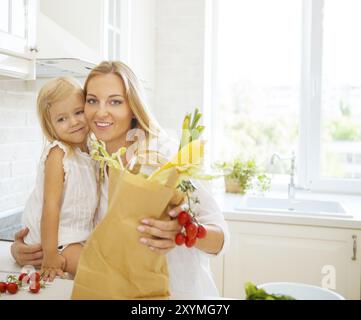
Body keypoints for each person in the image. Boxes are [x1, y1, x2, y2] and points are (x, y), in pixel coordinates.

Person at [12, 61, 230, 297]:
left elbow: (221, 239)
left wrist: (186, 232)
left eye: (115, 101)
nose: (100, 111)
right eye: (92, 100)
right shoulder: (91, 160)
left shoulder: (167, 156)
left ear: (132, 107)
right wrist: (23, 249)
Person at [21, 77, 98, 281]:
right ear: (50, 125)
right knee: (100, 276)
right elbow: (50, 206)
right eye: (61, 119)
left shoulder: (90, 152)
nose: (73, 122)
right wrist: (50, 255)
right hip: (57, 240)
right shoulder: (58, 154)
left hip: (77, 236)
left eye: (78, 112)